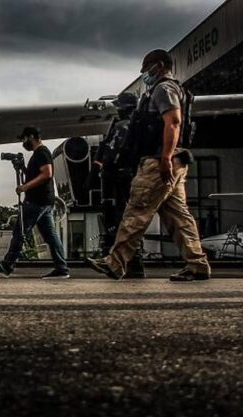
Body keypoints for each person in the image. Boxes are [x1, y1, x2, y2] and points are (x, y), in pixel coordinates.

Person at [87, 49, 210, 282]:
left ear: (160, 65)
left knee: (137, 210)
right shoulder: (172, 88)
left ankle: (115, 262)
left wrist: (164, 158)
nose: (143, 72)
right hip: (174, 160)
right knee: (178, 217)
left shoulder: (164, 89)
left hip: (158, 161)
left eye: (146, 66)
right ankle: (197, 265)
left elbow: (173, 122)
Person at [0, 127, 70, 279]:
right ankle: (61, 268)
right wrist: (22, 168)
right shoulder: (38, 154)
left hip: (36, 201)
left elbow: (47, 174)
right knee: (51, 236)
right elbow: (35, 176)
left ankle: (7, 265)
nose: (23, 142)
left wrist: (24, 187)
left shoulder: (42, 153)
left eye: (24, 139)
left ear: (32, 136)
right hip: (45, 201)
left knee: (20, 231)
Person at [91, 92, 146, 278]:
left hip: (120, 179)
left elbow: (111, 153)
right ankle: (131, 263)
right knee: (129, 220)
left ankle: (128, 263)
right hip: (131, 177)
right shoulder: (137, 125)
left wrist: (102, 170)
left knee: (121, 220)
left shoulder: (124, 126)